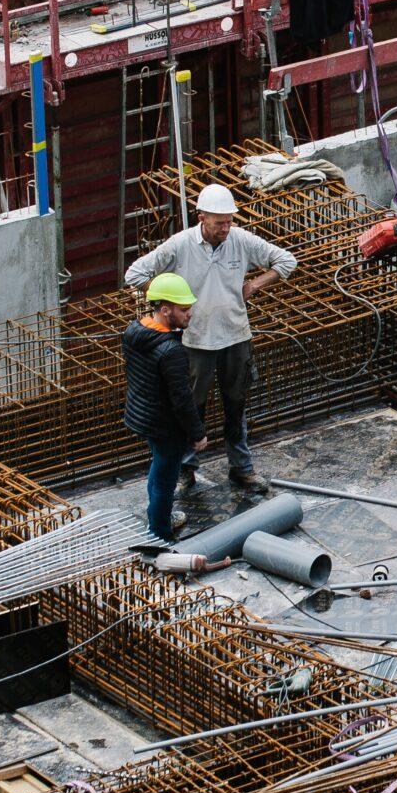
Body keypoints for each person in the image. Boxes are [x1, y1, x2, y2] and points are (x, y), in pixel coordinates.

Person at [122, 183, 297, 490]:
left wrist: (255, 284)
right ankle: (186, 469)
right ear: (201, 216)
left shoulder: (240, 240)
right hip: (196, 342)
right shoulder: (180, 245)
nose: (226, 228)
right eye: (219, 223)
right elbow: (134, 274)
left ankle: (241, 467)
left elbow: (286, 261)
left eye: (229, 221)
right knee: (193, 406)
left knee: (236, 404)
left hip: (235, 335)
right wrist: (167, 296)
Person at [123, 272, 209, 541]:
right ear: (164, 309)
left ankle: (158, 516)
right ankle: (160, 532)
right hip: (164, 425)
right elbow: (182, 399)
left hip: (143, 416)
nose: (189, 314)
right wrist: (197, 434)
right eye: (183, 309)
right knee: (165, 479)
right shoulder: (171, 351)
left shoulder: (134, 330)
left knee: (158, 467)